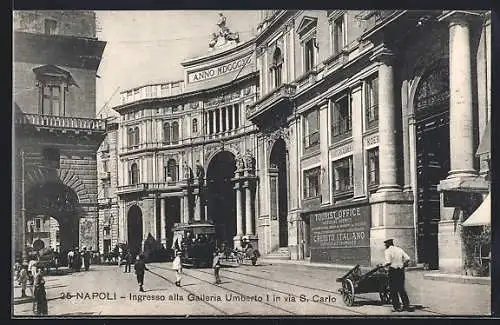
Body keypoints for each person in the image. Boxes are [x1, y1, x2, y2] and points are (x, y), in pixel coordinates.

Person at [383, 239, 412, 312]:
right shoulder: (399, 249)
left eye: (385, 245)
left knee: (393, 289)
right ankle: (406, 305)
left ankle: (397, 307)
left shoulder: (387, 251)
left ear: (387, 244)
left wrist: (383, 265)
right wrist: (403, 265)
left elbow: (388, 262)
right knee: (401, 288)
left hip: (393, 271)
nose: (385, 246)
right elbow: (408, 258)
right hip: (400, 271)